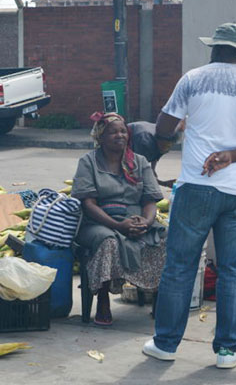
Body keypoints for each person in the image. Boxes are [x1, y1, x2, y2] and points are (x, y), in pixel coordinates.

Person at [142, 22, 236, 369]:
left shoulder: (193, 79)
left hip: (196, 187)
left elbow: (163, 128)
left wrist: (183, 127)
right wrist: (234, 155)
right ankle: (227, 350)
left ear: (214, 49)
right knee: (233, 271)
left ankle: (165, 344)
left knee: (179, 267)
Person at [72, 112, 167, 326]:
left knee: (164, 237)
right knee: (109, 242)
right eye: (113, 132)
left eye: (123, 131)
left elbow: (150, 200)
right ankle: (103, 299)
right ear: (101, 137)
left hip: (135, 220)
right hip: (99, 222)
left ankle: (159, 301)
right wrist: (117, 226)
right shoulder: (88, 162)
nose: (120, 135)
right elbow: (88, 204)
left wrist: (147, 222)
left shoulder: (139, 162)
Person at [126, 120, 185, 187]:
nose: (167, 148)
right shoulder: (144, 142)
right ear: (159, 140)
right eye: (165, 145)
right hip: (128, 141)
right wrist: (163, 183)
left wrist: (153, 169)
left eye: (170, 145)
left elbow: (156, 155)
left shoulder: (165, 140)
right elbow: (140, 171)